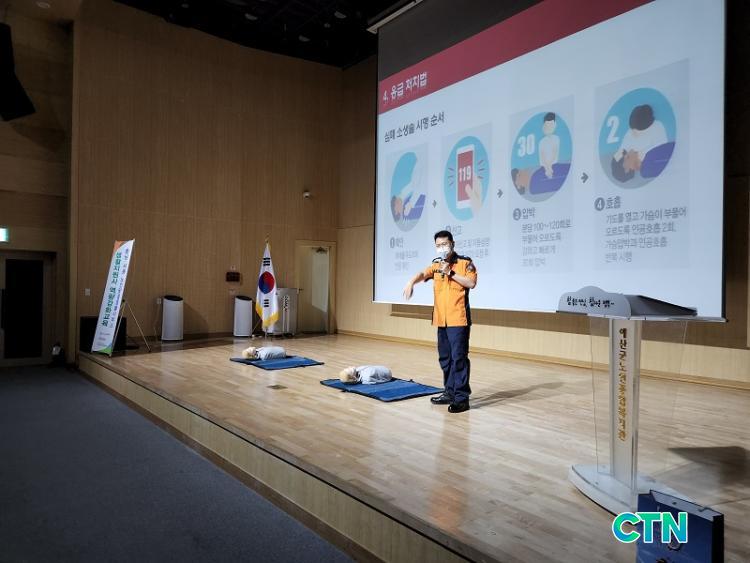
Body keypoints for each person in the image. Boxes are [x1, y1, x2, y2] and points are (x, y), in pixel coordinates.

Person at [402, 230, 477, 413]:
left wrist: (450, 272)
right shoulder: (436, 264)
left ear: (452, 244)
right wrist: (411, 282)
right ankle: (449, 392)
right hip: (440, 319)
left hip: (458, 319)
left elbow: (471, 283)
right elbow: (423, 273)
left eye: (444, 244)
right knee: (445, 359)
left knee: (459, 359)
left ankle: (462, 399)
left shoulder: (465, 262)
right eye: (438, 245)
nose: (442, 248)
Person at [538, 112, 560, 179]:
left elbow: (554, 153)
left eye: (551, 125)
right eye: (547, 125)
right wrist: (547, 168)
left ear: (555, 125)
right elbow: (542, 157)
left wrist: (549, 167)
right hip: (545, 167)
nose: (549, 128)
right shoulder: (541, 142)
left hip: (553, 165)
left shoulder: (556, 138)